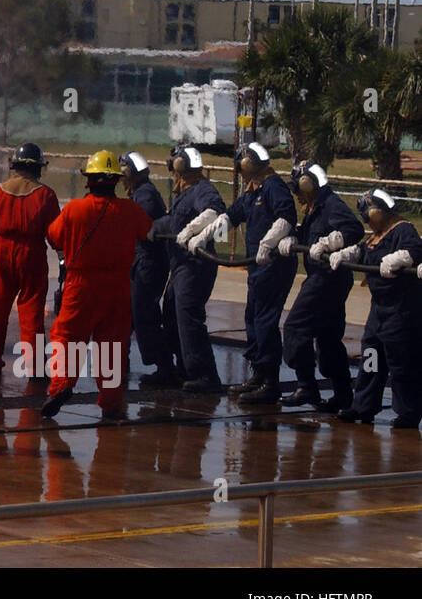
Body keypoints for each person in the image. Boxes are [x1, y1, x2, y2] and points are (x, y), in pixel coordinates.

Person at [41, 151, 152, 420]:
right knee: (111, 345)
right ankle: (111, 402)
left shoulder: (74, 210)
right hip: (118, 287)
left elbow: (53, 237)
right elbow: (147, 231)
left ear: (89, 181)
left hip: (81, 285)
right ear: (115, 181)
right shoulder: (131, 211)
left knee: (67, 338)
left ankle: (61, 387)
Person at [202, 143, 297, 404]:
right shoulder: (254, 190)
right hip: (258, 266)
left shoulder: (273, 186)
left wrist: (268, 244)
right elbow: (232, 216)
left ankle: (270, 383)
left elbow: (286, 217)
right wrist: (202, 236)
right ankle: (259, 374)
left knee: (265, 319)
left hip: (273, 264)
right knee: (253, 317)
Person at [275, 162, 363, 411]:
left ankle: (307, 386)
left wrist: (329, 242)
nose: (297, 193)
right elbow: (312, 234)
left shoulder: (330, 204)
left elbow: (354, 229)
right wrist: (294, 238)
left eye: (299, 186)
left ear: (308, 182)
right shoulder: (315, 207)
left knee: (295, 327)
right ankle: (343, 394)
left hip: (327, 279)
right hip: (325, 279)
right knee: (328, 338)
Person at [332, 189, 422, 429]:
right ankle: (363, 406)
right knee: (371, 356)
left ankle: (408, 412)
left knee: (400, 362)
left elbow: (415, 250)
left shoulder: (402, 230)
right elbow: (364, 251)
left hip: (401, 310)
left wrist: (399, 258)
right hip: (379, 309)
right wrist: (347, 253)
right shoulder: (376, 236)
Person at [0, 143, 60, 376]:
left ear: (15, 165)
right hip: (32, 255)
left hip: (2, 253)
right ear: (38, 168)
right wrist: (63, 260)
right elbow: (56, 234)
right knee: (31, 311)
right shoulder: (46, 195)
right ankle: (34, 366)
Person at [151, 145, 226, 392]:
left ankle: (205, 376)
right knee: (171, 313)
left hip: (195, 266)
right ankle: (183, 369)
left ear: (181, 166)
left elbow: (215, 211)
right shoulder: (185, 192)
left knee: (189, 318)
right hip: (180, 266)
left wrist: (192, 232)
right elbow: (173, 222)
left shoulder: (202, 189)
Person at [120, 151, 176, 385]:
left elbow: (138, 228)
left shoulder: (146, 196)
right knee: (134, 314)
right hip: (140, 262)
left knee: (145, 314)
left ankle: (164, 367)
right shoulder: (140, 193)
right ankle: (123, 364)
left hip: (148, 264)